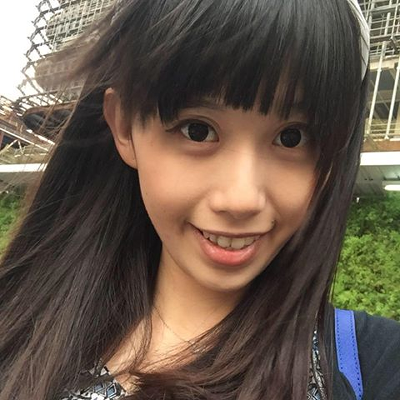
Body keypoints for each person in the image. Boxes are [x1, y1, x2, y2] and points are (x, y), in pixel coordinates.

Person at [0, 0, 399, 399]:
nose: (241, 199)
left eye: (291, 137)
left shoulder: (374, 363)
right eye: (197, 130)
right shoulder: (19, 330)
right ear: (124, 126)